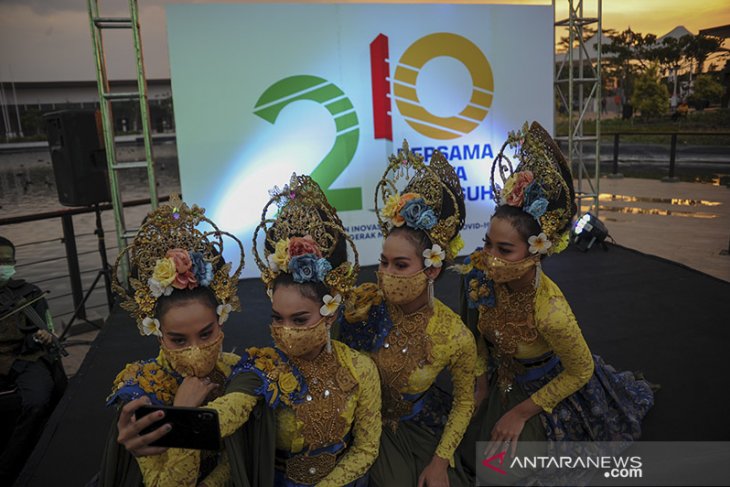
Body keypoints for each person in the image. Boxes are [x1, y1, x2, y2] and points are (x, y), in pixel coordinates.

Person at [119, 175, 382, 487]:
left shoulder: (359, 368)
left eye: (299, 320)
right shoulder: (264, 366)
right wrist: (181, 417)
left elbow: (366, 448)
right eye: (277, 318)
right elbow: (229, 414)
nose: (285, 331)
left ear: (330, 312)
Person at [456, 122, 654, 485]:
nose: (489, 256)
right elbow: (477, 338)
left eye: (504, 250)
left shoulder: (551, 311)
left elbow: (580, 371)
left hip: (541, 389)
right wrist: (482, 384)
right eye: (487, 243)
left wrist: (521, 413)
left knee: (497, 472)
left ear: (536, 252)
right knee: (464, 453)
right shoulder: (479, 279)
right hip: (500, 379)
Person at [339, 143, 476, 487]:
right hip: (356, 430)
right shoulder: (364, 308)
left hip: (416, 432)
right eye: (384, 262)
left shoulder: (453, 334)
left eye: (401, 265)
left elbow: (464, 401)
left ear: (431, 270)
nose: (386, 274)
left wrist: (441, 461)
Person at [97, 196, 245, 486]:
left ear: (221, 320)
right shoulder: (141, 387)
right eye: (178, 340)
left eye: (206, 334)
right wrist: (184, 415)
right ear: (157, 332)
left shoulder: (238, 370)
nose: (195, 351)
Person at [0, 235, 67, 485]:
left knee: (38, 399)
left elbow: (49, 329)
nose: (3, 265)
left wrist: (46, 336)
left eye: (7, 260)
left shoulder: (30, 294)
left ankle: (9, 466)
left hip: (26, 357)